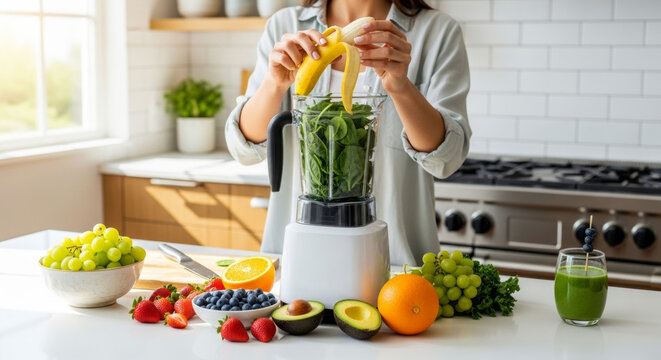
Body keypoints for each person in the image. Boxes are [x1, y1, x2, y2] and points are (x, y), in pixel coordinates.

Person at [225, 0, 471, 265]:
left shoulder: (437, 32)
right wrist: (274, 84)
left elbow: (447, 159)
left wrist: (400, 87)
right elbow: (244, 149)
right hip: (298, 259)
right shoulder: (284, 26)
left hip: (397, 267)